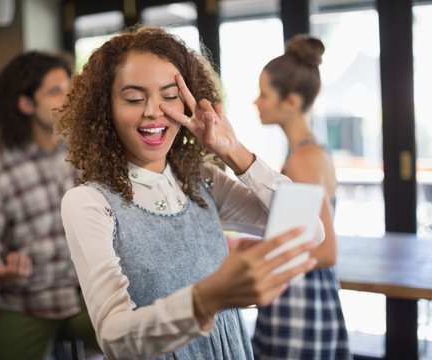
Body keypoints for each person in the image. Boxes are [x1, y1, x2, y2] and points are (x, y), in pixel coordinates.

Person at [55, 26, 324, 360]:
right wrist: (205, 300)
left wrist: (234, 151)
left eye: (169, 95)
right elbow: (113, 337)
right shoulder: (89, 203)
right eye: (135, 98)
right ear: (104, 109)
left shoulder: (202, 181)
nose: (153, 110)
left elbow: (309, 228)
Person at [0, 51, 101, 360]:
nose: (68, 98)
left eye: (68, 87)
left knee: (141, 343)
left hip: (85, 296)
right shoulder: (0, 168)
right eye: (55, 91)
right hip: (24, 302)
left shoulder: (86, 153)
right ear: (26, 104)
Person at [251, 35, 351, 359]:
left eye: (264, 94)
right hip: (296, 302)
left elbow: (325, 250)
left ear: (291, 101)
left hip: (301, 308)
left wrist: (255, 256)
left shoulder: (305, 158)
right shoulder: (303, 152)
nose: (257, 102)